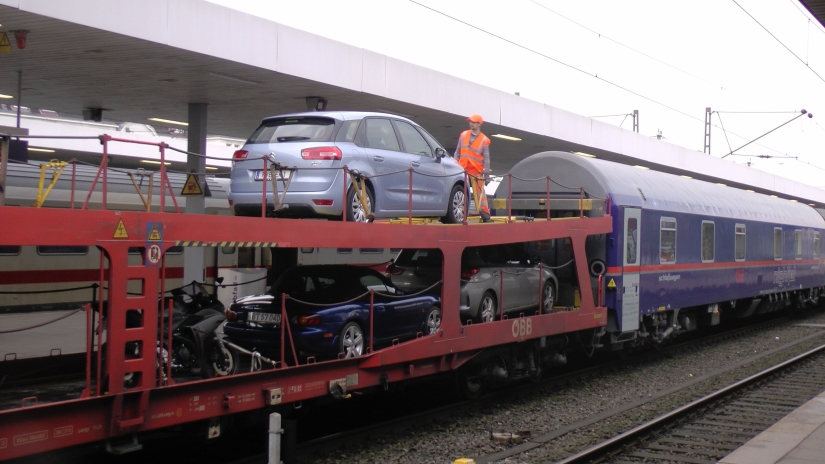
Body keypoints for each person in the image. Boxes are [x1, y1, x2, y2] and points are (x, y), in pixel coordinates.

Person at [454, 114, 492, 222]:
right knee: (459, 191)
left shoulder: (484, 140)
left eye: (474, 122)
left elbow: (486, 160)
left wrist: (486, 176)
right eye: (470, 121)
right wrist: (454, 166)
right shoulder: (463, 135)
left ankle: (485, 215)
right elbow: (457, 152)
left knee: (480, 195)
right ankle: (459, 214)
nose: (471, 123)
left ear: (479, 124)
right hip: (462, 169)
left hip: (475, 172)